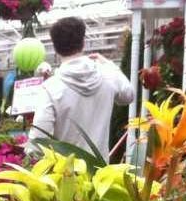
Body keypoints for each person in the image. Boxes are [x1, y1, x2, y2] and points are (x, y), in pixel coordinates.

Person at [28, 17, 133, 158]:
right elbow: (128, 95)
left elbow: (37, 142)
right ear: (83, 42)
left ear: (55, 48)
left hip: (65, 175)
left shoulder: (50, 88)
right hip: (101, 172)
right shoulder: (107, 76)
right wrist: (108, 64)